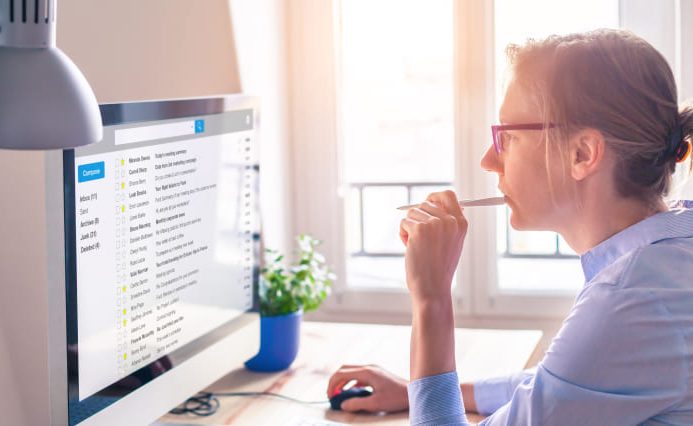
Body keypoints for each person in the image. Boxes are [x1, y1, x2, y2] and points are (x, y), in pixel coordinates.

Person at [327, 28, 693, 424]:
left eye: (507, 136)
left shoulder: (629, 299)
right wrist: (420, 392)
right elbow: (563, 383)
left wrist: (431, 297)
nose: (489, 159)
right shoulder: (667, 254)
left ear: (582, 153)